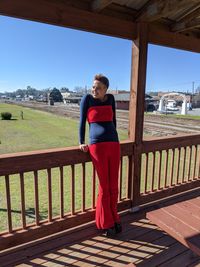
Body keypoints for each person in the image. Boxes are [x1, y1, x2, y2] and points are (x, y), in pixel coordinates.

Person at [79, 74, 122, 237]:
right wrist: (81, 141)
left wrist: (115, 136)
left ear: (105, 89)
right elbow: (82, 122)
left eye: (98, 87)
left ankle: (116, 219)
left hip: (114, 144)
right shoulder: (87, 99)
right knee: (105, 187)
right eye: (93, 87)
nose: (94, 90)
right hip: (97, 147)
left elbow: (114, 121)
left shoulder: (111, 99)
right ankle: (107, 223)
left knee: (113, 186)